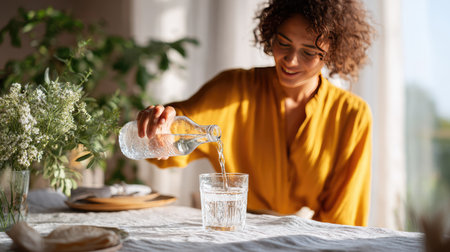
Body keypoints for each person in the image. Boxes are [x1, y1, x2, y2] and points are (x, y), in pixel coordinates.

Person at [136, 0, 375, 226]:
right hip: (234, 231)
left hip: (309, 240)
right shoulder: (233, 89)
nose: (291, 60)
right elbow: (180, 129)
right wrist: (160, 126)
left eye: (309, 52)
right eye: (283, 43)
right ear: (271, 36)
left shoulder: (352, 116)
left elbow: (343, 221)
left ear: (333, 53)